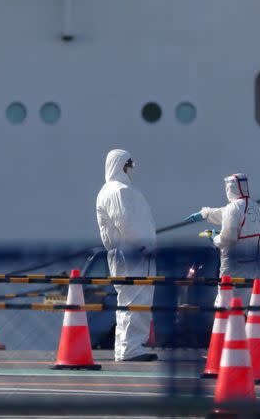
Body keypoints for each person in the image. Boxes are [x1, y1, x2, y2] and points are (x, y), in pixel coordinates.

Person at [185, 173, 260, 360]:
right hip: (256, 268)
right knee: (255, 308)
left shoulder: (233, 209)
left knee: (223, 307)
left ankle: (222, 352)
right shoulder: (253, 206)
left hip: (234, 269)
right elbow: (226, 214)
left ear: (230, 188)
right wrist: (205, 213)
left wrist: (214, 237)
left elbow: (228, 238)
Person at [96, 149, 158, 362]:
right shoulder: (120, 191)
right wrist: (145, 247)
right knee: (137, 301)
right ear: (120, 165)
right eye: (127, 165)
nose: (130, 170)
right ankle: (131, 348)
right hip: (135, 255)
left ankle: (125, 348)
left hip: (120, 254)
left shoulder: (107, 191)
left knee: (127, 301)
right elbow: (129, 224)